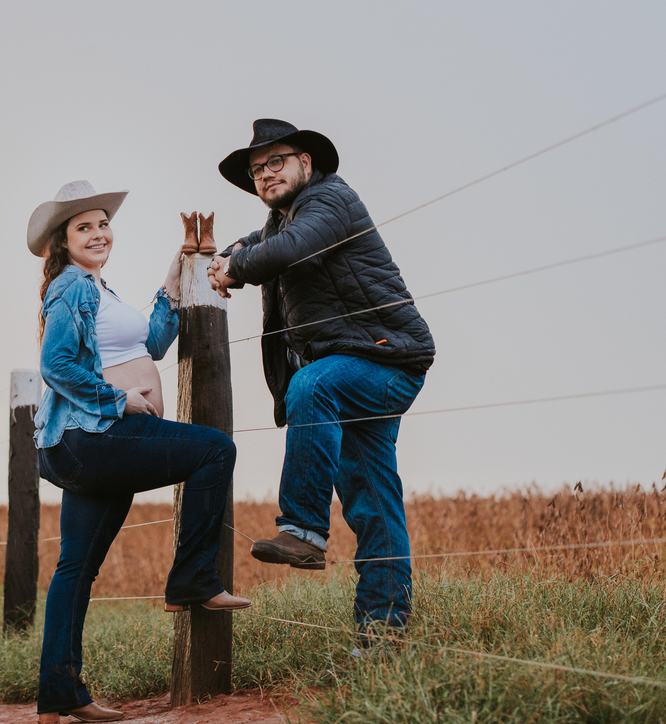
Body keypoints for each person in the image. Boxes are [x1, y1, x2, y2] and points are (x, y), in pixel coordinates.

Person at [28, 180, 249, 724]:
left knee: (75, 569)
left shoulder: (101, 291)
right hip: (93, 437)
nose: (98, 233)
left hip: (90, 445)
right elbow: (56, 365)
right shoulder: (72, 287)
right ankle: (193, 578)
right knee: (214, 451)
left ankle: (58, 695)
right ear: (63, 241)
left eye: (103, 223)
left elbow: (150, 343)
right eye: (84, 227)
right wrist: (118, 399)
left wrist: (173, 284)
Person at [206, 120, 435, 638]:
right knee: (373, 498)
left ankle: (303, 531)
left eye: (276, 162)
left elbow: (289, 251)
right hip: (352, 369)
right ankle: (382, 632)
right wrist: (220, 261)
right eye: (257, 169)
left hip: (387, 361)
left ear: (306, 163)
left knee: (311, 385)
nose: (266, 174)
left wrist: (236, 268)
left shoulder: (331, 200)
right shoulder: (276, 225)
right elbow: (254, 245)